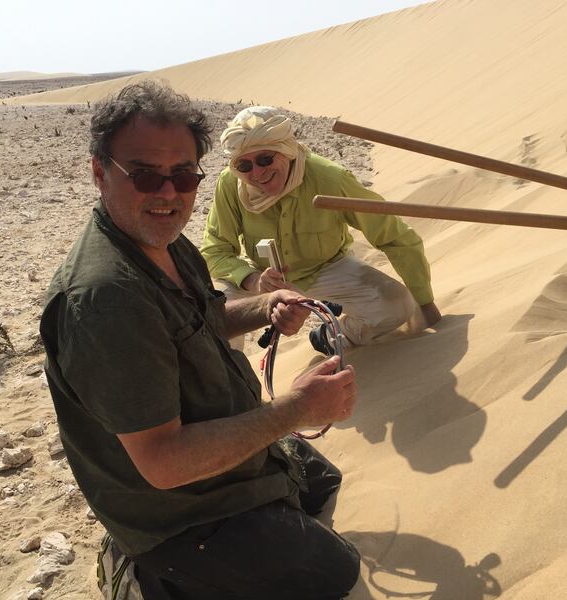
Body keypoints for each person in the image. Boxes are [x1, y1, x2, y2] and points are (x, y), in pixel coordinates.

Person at [39, 81, 361, 600]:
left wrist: (265, 306)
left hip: (218, 452)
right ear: (100, 172)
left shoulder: (161, 241)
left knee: (320, 484)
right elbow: (163, 463)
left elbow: (204, 320)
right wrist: (294, 409)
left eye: (183, 175)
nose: (168, 193)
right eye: (144, 175)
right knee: (333, 574)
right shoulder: (106, 299)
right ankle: (145, 576)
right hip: (178, 510)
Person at [201, 106, 441, 353]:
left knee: (398, 305)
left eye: (265, 159)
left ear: (286, 150)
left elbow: (394, 235)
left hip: (325, 269)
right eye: (244, 165)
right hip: (263, 280)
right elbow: (214, 250)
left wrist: (426, 303)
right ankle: (235, 383)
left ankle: (332, 336)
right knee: (215, 314)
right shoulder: (230, 184)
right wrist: (253, 281)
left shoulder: (330, 179)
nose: (257, 173)